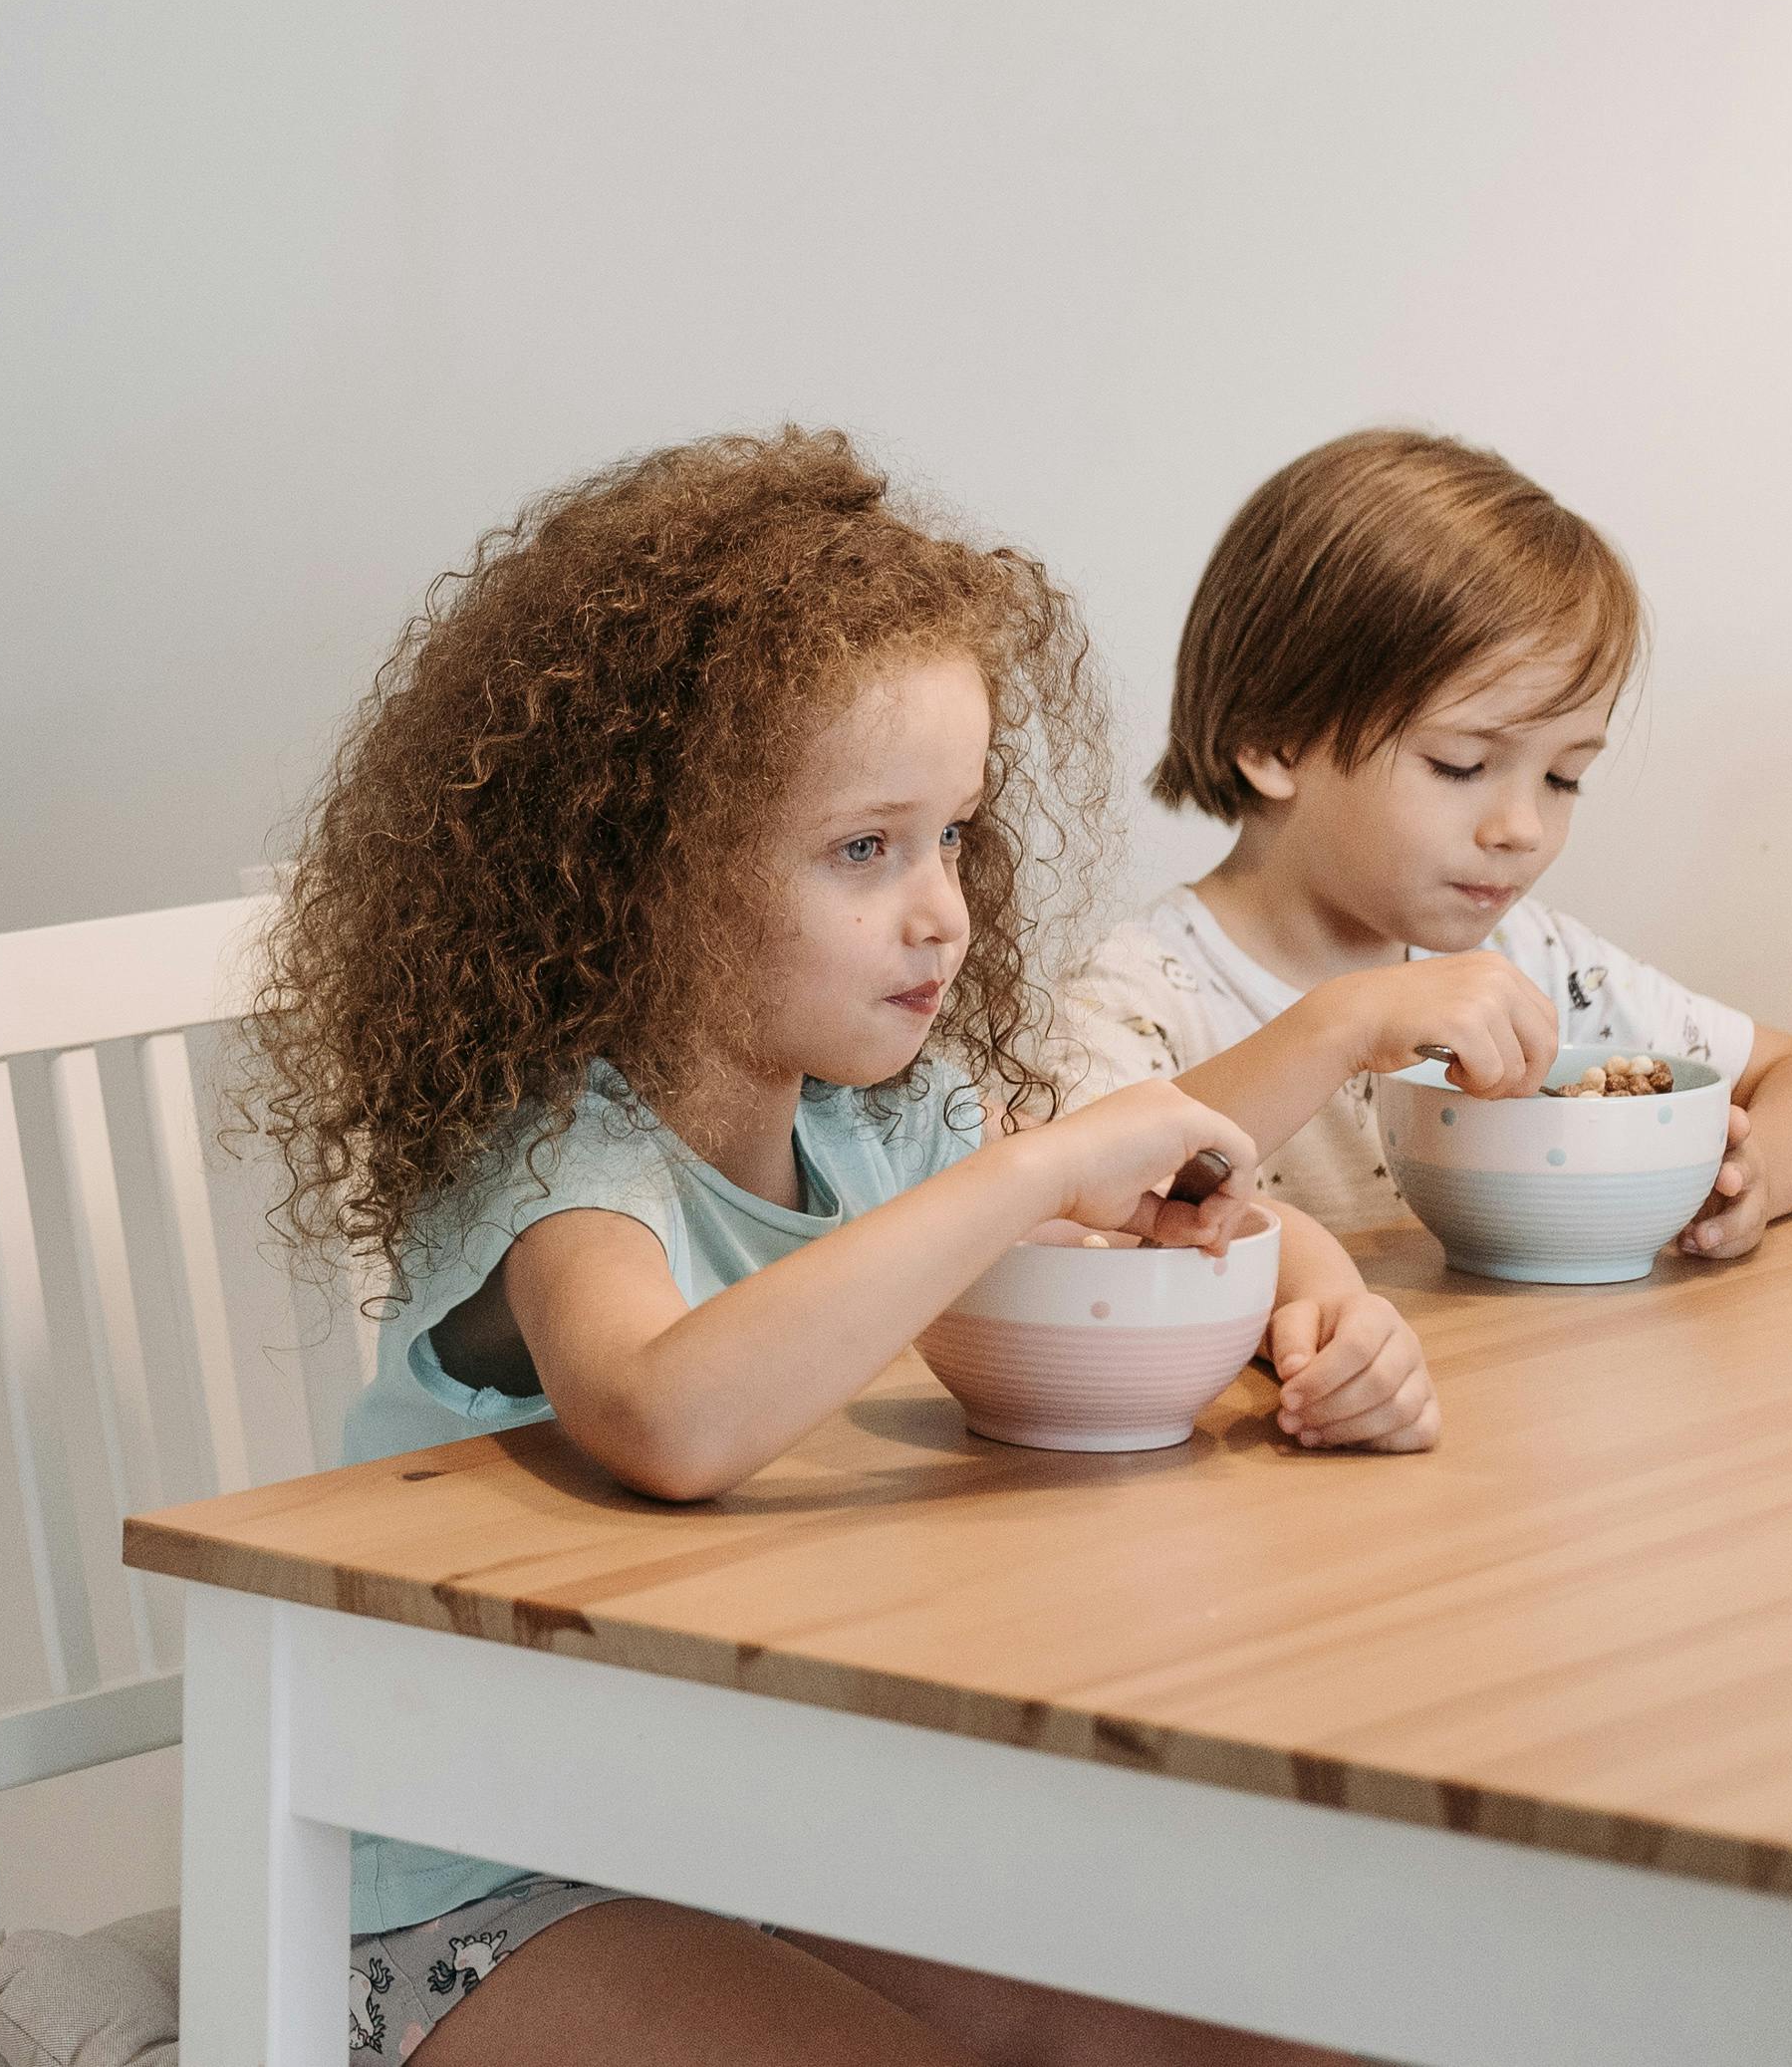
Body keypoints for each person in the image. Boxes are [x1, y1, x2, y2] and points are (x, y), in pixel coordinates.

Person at [255, 431, 1434, 2067]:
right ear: (642, 874)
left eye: (952, 832)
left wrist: (1315, 1306)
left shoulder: (872, 1122)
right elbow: (668, 1415)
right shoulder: (559, 1151)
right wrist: (1031, 1171)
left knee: (1275, 2023)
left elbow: (1195, 1205)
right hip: (479, 1890)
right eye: (864, 847)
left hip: (755, 1828)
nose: (941, 906)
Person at [1049, 428, 1792, 1257]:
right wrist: (1336, 1028)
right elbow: (1081, 1205)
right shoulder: (1130, 1000)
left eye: (1563, 778)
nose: (1522, 828)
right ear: (1273, 741)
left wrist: (1754, 1179)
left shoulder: (1531, 962)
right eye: (1461, 764)